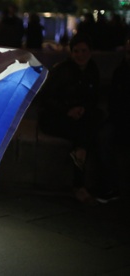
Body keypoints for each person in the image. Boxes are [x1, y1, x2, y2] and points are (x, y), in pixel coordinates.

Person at [37, 34, 105, 204]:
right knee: (84, 133)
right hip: (55, 117)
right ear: (71, 52)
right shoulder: (62, 70)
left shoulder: (92, 69)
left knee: (92, 122)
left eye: (84, 51)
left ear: (90, 52)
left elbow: (94, 97)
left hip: (79, 117)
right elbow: (45, 98)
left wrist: (82, 109)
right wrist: (67, 110)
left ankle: (79, 156)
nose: (80, 55)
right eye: (76, 51)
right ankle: (80, 185)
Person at [95, 39, 130, 203]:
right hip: (119, 118)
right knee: (102, 137)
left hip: (121, 118)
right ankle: (110, 186)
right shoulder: (121, 71)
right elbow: (114, 102)